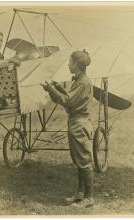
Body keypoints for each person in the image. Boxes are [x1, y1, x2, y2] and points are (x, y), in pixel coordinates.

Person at [42, 49, 94, 208]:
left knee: (84, 162)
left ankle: (89, 198)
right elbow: (70, 98)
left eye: (71, 62)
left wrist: (52, 90)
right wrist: (57, 87)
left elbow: (68, 101)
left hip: (79, 124)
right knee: (80, 160)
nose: (68, 64)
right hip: (77, 123)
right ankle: (80, 194)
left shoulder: (83, 82)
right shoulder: (80, 81)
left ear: (77, 65)